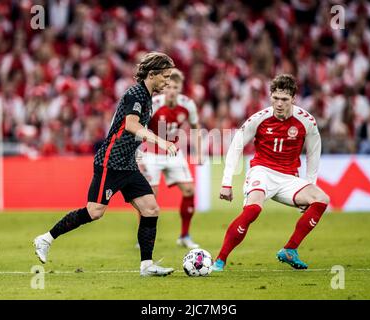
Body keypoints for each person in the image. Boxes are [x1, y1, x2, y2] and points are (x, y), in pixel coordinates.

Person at [33, 52, 178, 277]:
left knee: (151, 208)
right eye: (165, 76)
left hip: (128, 164)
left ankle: (147, 266)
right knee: (95, 211)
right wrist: (159, 140)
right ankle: (45, 239)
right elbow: (131, 125)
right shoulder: (136, 94)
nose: (168, 81)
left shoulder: (146, 96)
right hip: (111, 162)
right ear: (152, 74)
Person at [212, 74, 330, 271]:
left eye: (284, 99)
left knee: (321, 199)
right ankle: (220, 260)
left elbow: (313, 154)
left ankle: (290, 250)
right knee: (253, 209)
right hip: (262, 171)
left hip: (289, 178)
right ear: (270, 97)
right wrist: (226, 182)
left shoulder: (307, 121)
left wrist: (310, 184)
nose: (279, 103)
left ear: (293, 98)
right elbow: (236, 146)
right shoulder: (259, 119)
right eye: (275, 98)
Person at [139, 69, 203, 249]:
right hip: (151, 153)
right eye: (169, 87)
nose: (172, 90)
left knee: (189, 190)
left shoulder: (187, 104)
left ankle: (184, 236)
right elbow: (139, 128)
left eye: (176, 87)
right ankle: (142, 236)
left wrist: (198, 152)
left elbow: (195, 126)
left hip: (174, 152)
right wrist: (139, 155)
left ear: (180, 88)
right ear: (164, 88)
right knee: (150, 198)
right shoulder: (154, 104)